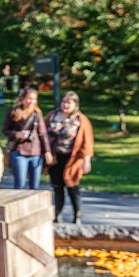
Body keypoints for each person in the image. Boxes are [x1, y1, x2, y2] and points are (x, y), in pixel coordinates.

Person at [45, 91, 94, 224]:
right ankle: (57, 216)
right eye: (64, 102)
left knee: (72, 186)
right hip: (55, 157)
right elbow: (43, 135)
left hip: (73, 158)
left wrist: (86, 160)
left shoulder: (80, 120)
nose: (65, 105)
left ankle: (77, 216)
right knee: (57, 187)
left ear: (75, 104)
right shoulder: (52, 116)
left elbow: (87, 141)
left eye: (69, 102)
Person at [2, 88, 54, 189]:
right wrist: (17, 134)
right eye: (29, 98)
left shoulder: (36, 115)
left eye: (34, 99)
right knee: (20, 184)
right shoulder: (13, 113)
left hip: (35, 152)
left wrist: (47, 151)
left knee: (35, 186)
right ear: (22, 99)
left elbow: (43, 134)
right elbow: (5, 130)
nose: (31, 102)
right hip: (19, 151)